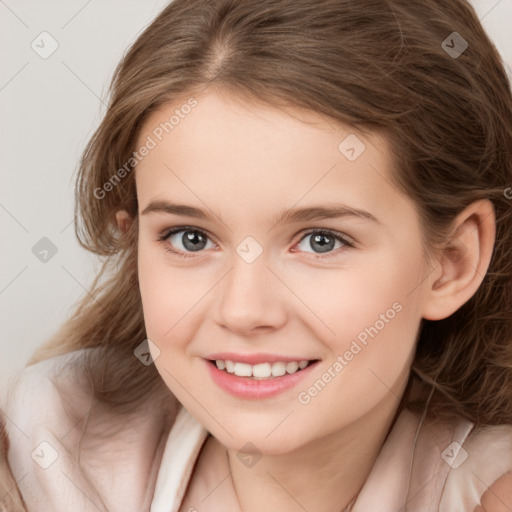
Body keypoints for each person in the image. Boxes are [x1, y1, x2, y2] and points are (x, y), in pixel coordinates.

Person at [2, 0, 512, 510]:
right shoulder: (45, 449)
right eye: (191, 238)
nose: (243, 311)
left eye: (320, 241)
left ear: (451, 262)